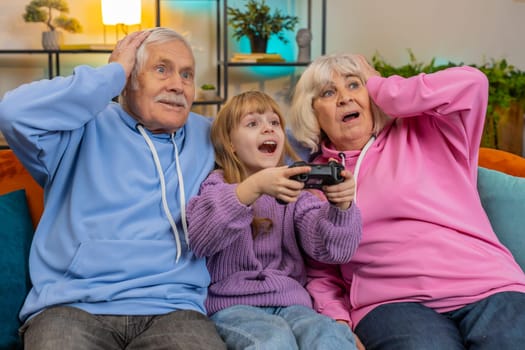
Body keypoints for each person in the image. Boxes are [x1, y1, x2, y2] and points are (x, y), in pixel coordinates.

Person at [0, 27, 226, 349]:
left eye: (187, 74)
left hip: (173, 309)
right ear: (130, 76)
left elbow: (276, 140)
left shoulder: (208, 136)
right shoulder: (77, 130)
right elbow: (13, 112)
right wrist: (111, 75)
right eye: (162, 70)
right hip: (71, 308)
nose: (177, 84)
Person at [287, 53, 525, 349]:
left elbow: (472, 83)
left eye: (353, 85)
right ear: (313, 113)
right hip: (390, 303)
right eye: (328, 92)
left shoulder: (431, 129)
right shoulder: (316, 178)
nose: (344, 99)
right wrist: (337, 321)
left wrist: (382, 87)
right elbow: (321, 268)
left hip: (488, 285)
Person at [186, 90, 362, 350]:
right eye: (252, 123)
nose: (268, 129)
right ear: (231, 143)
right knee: (273, 341)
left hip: (293, 303)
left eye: (274, 123)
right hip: (234, 307)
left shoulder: (296, 194)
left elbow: (334, 250)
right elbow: (201, 239)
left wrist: (342, 206)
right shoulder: (218, 185)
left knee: (329, 336)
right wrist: (253, 187)